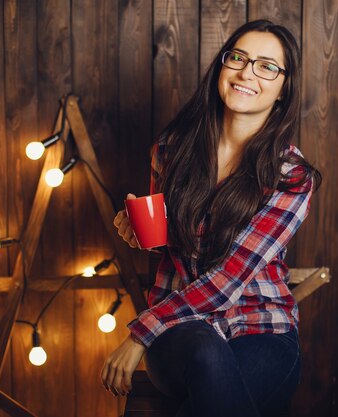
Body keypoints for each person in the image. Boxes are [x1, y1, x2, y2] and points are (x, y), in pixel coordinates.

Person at [101, 19, 321, 417]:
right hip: (180, 333)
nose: (246, 73)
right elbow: (166, 243)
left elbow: (227, 281)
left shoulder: (291, 175)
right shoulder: (171, 151)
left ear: (283, 88)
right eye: (237, 58)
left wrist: (137, 335)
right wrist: (137, 232)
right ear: (221, 66)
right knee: (206, 351)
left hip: (263, 329)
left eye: (266, 65)